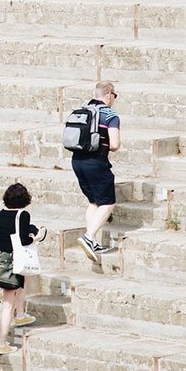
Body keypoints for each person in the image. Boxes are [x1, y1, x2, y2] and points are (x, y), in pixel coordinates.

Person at [0, 183, 41, 351]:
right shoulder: (23, 215)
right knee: (7, 305)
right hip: (11, 264)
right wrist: (35, 238)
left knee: (23, 282)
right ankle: (2, 343)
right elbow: (23, 240)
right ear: (24, 199)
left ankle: (21, 314)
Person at [73, 84, 127, 258]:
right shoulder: (110, 115)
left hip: (77, 161)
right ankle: (89, 237)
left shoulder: (81, 111)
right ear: (109, 94)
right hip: (96, 163)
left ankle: (93, 243)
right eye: (115, 95)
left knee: (93, 202)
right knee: (108, 203)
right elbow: (115, 144)